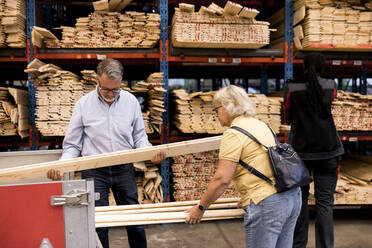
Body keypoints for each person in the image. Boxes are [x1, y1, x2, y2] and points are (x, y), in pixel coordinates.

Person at [47, 58, 166, 248]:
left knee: (134, 221)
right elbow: (72, 145)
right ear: (97, 80)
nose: (111, 94)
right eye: (106, 89)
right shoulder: (83, 105)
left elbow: (139, 138)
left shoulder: (130, 102)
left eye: (115, 89)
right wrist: (62, 166)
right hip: (94, 171)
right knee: (98, 225)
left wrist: (150, 152)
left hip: (124, 169)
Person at [186, 85, 302, 248]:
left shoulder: (234, 133)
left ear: (227, 107)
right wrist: (251, 195)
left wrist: (200, 207)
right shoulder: (260, 125)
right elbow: (265, 164)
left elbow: (222, 179)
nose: (216, 114)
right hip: (291, 197)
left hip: (268, 205)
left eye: (217, 109)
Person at [283, 53, 344, 248]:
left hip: (300, 153)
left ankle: (298, 245)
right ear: (323, 67)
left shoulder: (291, 87)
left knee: (299, 202)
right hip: (328, 151)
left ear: (303, 66)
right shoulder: (331, 86)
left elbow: (287, 118)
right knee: (325, 204)